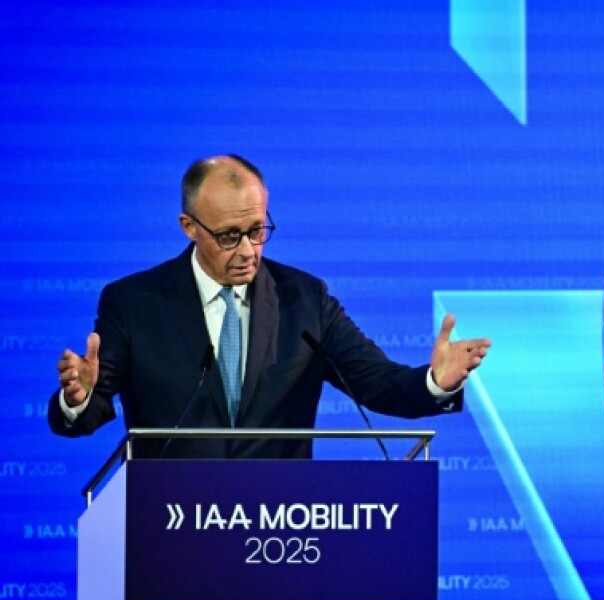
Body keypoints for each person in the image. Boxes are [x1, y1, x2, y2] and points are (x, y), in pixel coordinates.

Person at [48, 154, 491, 459]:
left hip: (282, 536)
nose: (247, 250)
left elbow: (377, 383)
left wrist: (435, 382)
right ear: (189, 227)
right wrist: (79, 398)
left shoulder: (305, 299)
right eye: (229, 235)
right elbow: (89, 410)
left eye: (258, 230)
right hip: (168, 534)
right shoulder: (133, 303)